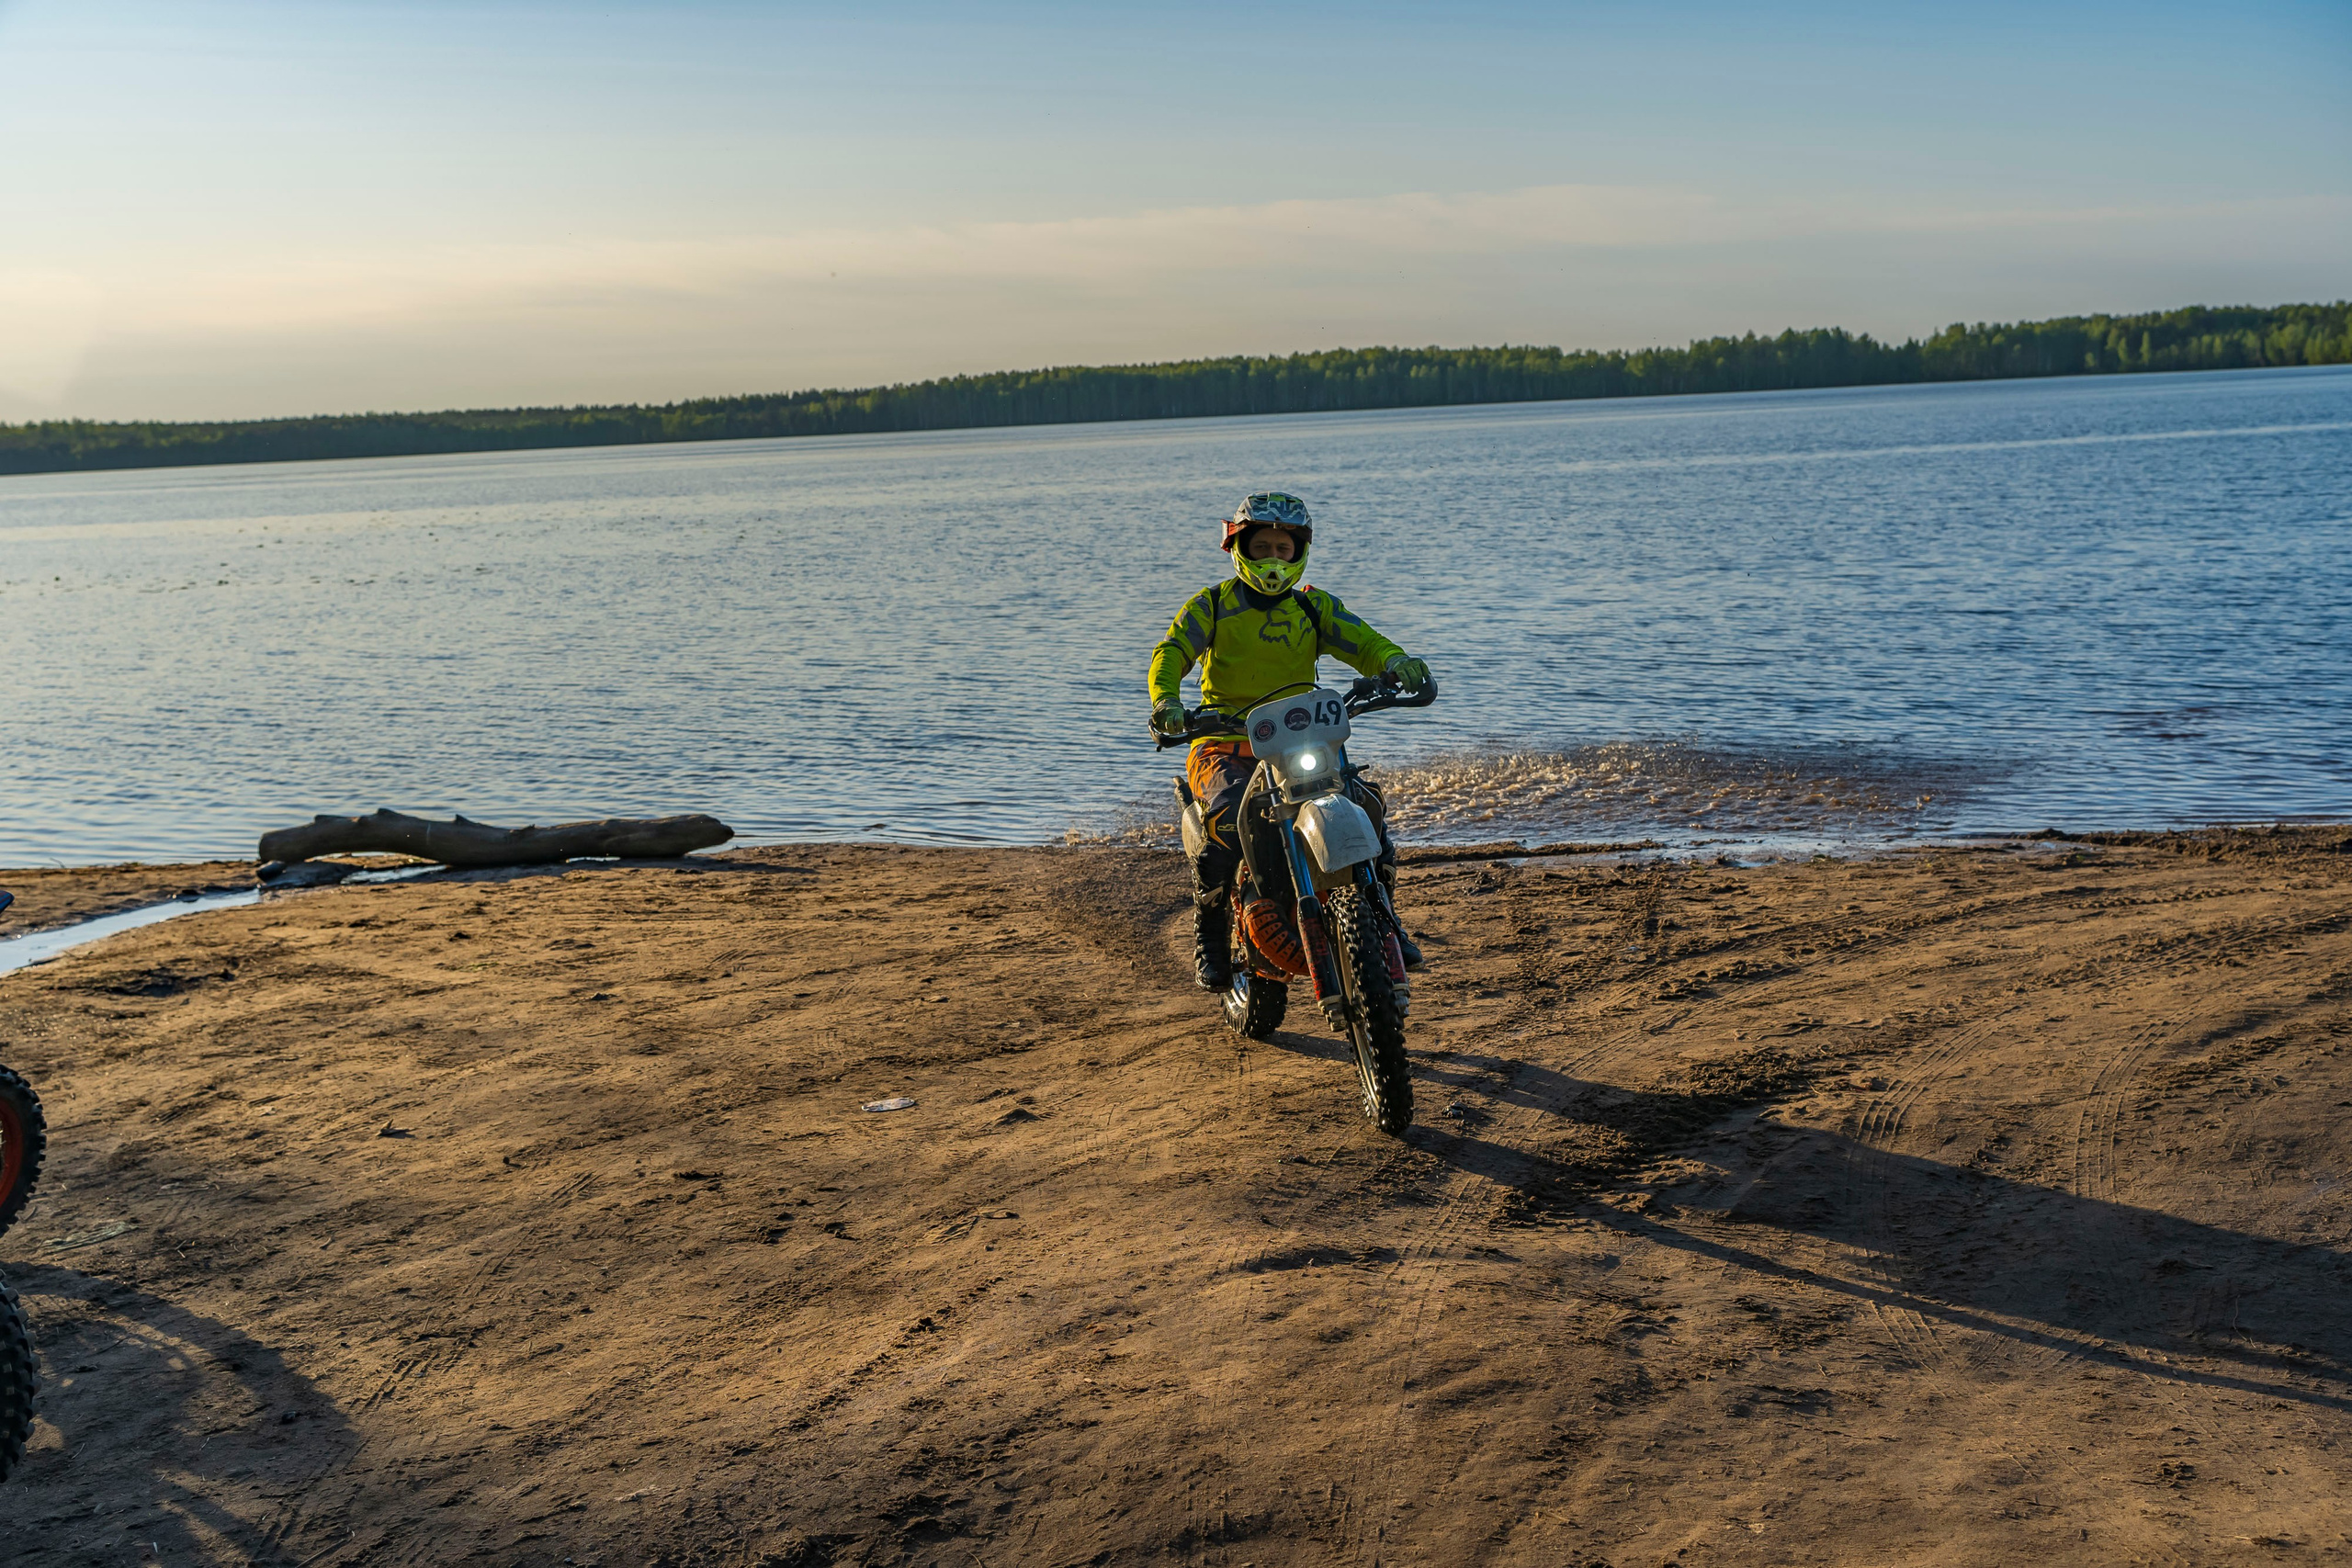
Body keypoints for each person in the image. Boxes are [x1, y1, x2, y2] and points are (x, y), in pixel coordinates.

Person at [1147, 492, 1432, 991]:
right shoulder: (1211, 606)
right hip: (1224, 744)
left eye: (1284, 549)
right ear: (1239, 549)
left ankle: (1385, 919)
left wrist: (1396, 662)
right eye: (1262, 548)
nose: (1273, 559)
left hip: (1303, 740)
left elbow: (1364, 641)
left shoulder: (1312, 607)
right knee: (1226, 823)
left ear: (1299, 552)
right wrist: (1166, 701)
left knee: (1368, 808)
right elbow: (1171, 652)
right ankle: (1209, 935)